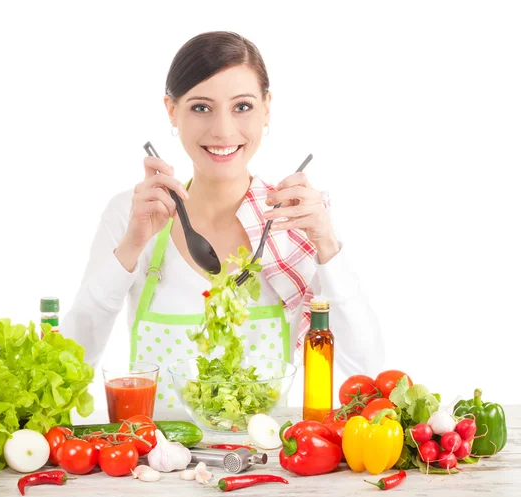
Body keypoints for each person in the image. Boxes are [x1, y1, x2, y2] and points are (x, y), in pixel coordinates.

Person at [60, 31, 384, 409]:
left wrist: (327, 245)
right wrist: (131, 246)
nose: (223, 130)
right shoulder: (132, 213)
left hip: (266, 460)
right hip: (157, 460)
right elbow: (73, 364)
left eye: (242, 106)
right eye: (201, 107)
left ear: (266, 108)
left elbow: (366, 367)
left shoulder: (293, 221)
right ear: (171, 111)